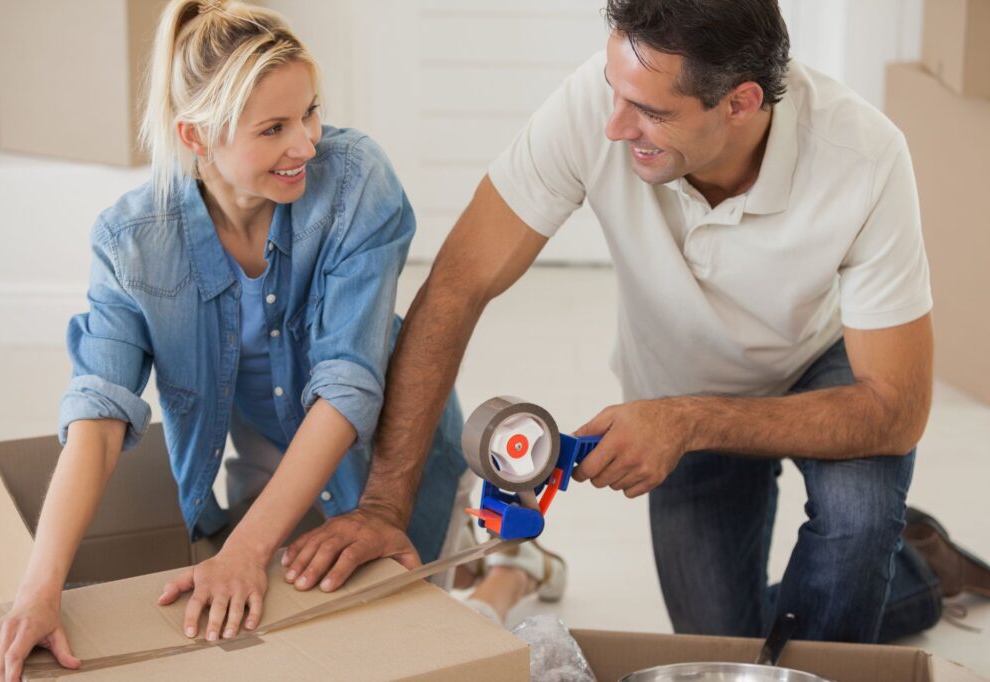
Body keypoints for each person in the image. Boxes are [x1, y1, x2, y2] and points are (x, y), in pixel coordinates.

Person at [283, 0, 990, 644]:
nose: (614, 126)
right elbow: (455, 287)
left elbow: (894, 409)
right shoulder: (599, 103)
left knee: (860, 522)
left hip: (822, 366)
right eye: (615, 93)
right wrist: (382, 504)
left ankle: (874, 565)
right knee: (723, 646)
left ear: (741, 103)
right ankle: (918, 574)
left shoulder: (864, 157)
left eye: (650, 111)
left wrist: (687, 423)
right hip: (679, 374)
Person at [0, 2, 557, 680]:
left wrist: (247, 553)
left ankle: (509, 574)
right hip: (262, 460)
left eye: (311, 112)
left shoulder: (354, 183)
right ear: (196, 137)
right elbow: (98, 416)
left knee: (406, 639)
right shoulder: (132, 242)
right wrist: (38, 593)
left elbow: (348, 384)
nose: (308, 143)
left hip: (385, 454)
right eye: (274, 128)